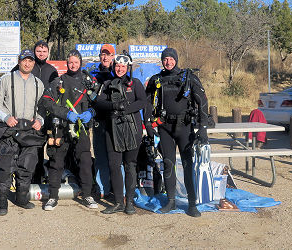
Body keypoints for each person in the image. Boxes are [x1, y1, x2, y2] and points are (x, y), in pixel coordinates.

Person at [145, 48, 209, 217]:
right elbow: (146, 102)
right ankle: (171, 201)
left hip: (184, 127)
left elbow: (202, 101)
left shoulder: (188, 77)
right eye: (165, 59)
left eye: (171, 59)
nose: (168, 62)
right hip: (165, 127)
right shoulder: (156, 79)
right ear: (162, 61)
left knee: (188, 165)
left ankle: (192, 203)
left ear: (176, 60)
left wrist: (203, 128)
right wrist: (148, 124)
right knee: (168, 163)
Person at [92, 54, 154, 214]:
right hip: (112, 130)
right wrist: (114, 105)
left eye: (123, 67)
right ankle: (119, 202)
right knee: (114, 165)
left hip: (132, 129)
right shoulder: (106, 84)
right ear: (114, 67)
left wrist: (125, 108)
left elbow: (143, 101)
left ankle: (130, 202)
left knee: (130, 165)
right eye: (117, 66)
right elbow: (98, 102)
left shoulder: (135, 84)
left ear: (128, 68)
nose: (120, 69)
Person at [39, 49, 98, 211]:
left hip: (81, 130)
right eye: (70, 62)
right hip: (61, 128)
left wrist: (91, 113)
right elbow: (46, 102)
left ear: (80, 63)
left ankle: (87, 194)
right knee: (56, 162)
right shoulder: (58, 82)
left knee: (85, 161)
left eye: (76, 62)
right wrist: (66, 113)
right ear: (66, 63)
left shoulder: (88, 82)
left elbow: (97, 103)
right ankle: (52, 196)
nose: (73, 65)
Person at [0, 49, 45, 216]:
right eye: (24, 60)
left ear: (33, 63)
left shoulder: (38, 84)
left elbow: (42, 108)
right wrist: (5, 117)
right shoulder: (6, 79)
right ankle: (2, 201)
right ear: (19, 61)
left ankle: (21, 198)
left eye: (30, 61)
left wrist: (40, 120)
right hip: (9, 130)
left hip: (29, 132)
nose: (27, 63)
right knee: (6, 167)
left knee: (26, 167)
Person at [12, 40, 59, 184]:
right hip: (26, 115)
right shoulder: (24, 67)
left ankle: (39, 179)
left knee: (43, 148)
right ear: (34, 52)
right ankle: (21, 181)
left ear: (48, 53)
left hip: (45, 115)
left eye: (44, 51)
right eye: (39, 51)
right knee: (23, 147)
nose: (41, 54)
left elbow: (56, 92)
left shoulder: (52, 70)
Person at [90, 44, 116, 198]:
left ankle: (119, 190)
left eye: (109, 54)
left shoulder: (118, 73)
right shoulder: (94, 74)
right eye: (103, 54)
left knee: (116, 158)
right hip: (98, 120)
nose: (105, 57)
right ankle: (102, 189)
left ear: (113, 56)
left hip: (115, 122)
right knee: (100, 156)